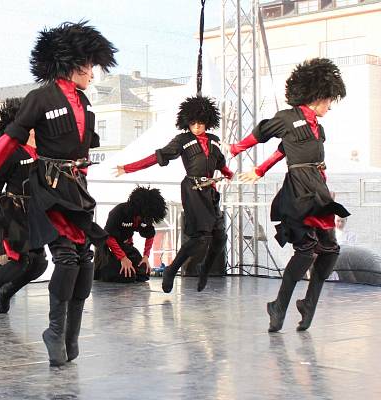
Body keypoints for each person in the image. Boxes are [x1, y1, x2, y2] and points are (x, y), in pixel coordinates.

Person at [0, 21, 117, 366]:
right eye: (88, 64)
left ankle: (69, 334)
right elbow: (9, 139)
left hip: (77, 188)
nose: (92, 71)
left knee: (84, 259)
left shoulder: (85, 103)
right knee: (66, 258)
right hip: (48, 186)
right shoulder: (39, 98)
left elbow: (84, 150)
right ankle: (55, 332)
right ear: (72, 63)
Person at [230, 58, 349, 332]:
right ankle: (279, 305)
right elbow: (262, 133)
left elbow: (284, 149)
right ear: (318, 96)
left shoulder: (319, 128)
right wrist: (238, 149)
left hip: (318, 187)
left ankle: (309, 303)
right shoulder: (287, 117)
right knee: (306, 251)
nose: (330, 105)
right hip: (298, 188)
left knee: (330, 250)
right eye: (329, 100)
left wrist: (260, 169)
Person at [116, 95, 234, 293]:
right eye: (193, 123)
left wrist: (229, 174)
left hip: (210, 191)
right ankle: (172, 269)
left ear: (208, 121)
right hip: (193, 191)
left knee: (220, 236)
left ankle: (205, 270)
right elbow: (158, 156)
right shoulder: (182, 140)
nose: (196, 126)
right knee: (200, 237)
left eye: (201, 123)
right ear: (187, 122)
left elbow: (221, 164)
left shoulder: (214, 141)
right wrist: (128, 168)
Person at [0, 98, 49, 317]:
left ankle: (6, 292)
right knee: (21, 260)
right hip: (14, 212)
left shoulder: (42, 152)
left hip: (35, 213)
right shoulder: (12, 151)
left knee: (39, 264)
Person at [95, 186, 167, 283]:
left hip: (126, 247)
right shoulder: (118, 212)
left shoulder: (145, 217)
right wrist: (123, 258)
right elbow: (109, 237)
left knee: (143, 274)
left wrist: (146, 256)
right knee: (125, 276)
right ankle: (100, 268)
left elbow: (150, 234)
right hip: (109, 248)